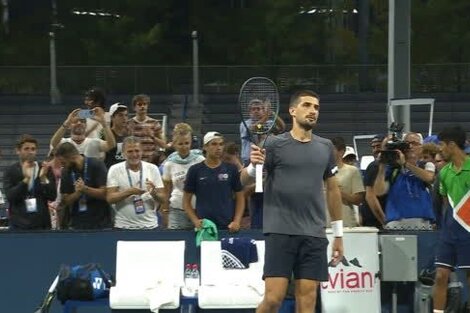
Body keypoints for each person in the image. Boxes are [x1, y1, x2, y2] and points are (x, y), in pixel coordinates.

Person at [240, 90, 343, 313]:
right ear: (292, 111)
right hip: (280, 231)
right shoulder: (275, 145)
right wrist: (251, 166)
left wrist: (338, 234)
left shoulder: (325, 147)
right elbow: (245, 180)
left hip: (314, 234)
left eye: (316, 107)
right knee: (273, 300)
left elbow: (333, 189)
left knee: (307, 303)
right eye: (306, 105)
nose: (313, 111)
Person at [433, 125, 470, 313]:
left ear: (452, 144)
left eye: (441, 145)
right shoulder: (444, 172)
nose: (439, 149)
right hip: (449, 233)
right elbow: (445, 202)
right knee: (440, 276)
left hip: (468, 232)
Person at [183, 131, 245, 231]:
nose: (219, 148)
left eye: (221, 144)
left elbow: (240, 197)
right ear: (205, 147)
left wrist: (237, 221)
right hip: (205, 227)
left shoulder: (231, 169)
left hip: (227, 227)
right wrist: (195, 221)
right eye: (214, 144)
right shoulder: (195, 170)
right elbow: (186, 202)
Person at [373, 132, 435, 229]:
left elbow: (429, 178)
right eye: (407, 143)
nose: (410, 146)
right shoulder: (393, 168)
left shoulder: (426, 165)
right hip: (396, 222)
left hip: (422, 222)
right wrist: (382, 166)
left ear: (421, 148)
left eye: (414, 143)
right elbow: (379, 192)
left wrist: (405, 164)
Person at [106, 136, 167, 230]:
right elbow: (110, 198)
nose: (134, 154)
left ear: (142, 152)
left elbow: (163, 198)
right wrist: (129, 192)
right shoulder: (114, 169)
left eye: (137, 151)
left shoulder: (152, 168)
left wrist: (154, 193)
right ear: (123, 153)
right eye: (130, 151)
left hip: (150, 226)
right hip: (123, 226)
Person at [4, 135, 56, 230]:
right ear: (18, 151)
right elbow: (10, 197)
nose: (30, 151)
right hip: (18, 225)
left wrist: (43, 178)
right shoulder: (10, 171)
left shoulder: (44, 169)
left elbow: (53, 196)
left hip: (42, 224)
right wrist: (26, 180)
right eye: (26, 149)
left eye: (33, 149)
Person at [56, 142, 112, 229]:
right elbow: (65, 201)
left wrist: (85, 189)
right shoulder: (66, 171)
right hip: (77, 223)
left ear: (72, 157)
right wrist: (77, 194)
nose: (62, 165)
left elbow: (105, 194)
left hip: (100, 222)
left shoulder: (96, 164)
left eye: (63, 162)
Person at [162, 123, 205, 229]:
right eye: (180, 144)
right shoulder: (169, 164)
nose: (184, 147)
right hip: (176, 210)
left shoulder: (200, 160)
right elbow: (167, 191)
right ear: (174, 144)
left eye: (187, 143)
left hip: (198, 210)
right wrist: (165, 210)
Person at [50, 107, 116, 158]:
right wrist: (66, 123)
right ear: (69, 125)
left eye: (82, 121)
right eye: (75, 121)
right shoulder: (65, 142)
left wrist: (103, 123)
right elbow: (54, 143)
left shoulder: (94, 142)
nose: (79, 123)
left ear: (86, 125)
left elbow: (111, 145)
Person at [330, 137, 365, 227]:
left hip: (346, 225)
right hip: (324, 226)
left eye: (332, 149)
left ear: (341, 152)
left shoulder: (352, 171)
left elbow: (358, 200)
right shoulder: (320, 171)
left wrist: (338, 192)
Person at [127, 94, 167, 162]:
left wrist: (152, 136)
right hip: (134, 160)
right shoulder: (129, 124)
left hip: (151, 162)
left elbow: (163, 145)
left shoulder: (155, 123)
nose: (142, 106)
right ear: (134, 108)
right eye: (139, 104)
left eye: (144, 104)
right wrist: (129, 133)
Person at [359, 134, 387, 227]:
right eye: (373, 147)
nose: (375, 150)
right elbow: (369, 196)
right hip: (375, 222)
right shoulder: (374, 166)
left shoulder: (388, 167)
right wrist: (384, 221)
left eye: (378, 146)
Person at [104, 102, 129, 168]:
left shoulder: (128, 135)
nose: (124, 118)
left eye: (126, 115)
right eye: (120, 115)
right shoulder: (105, 134)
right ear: (112, 118)